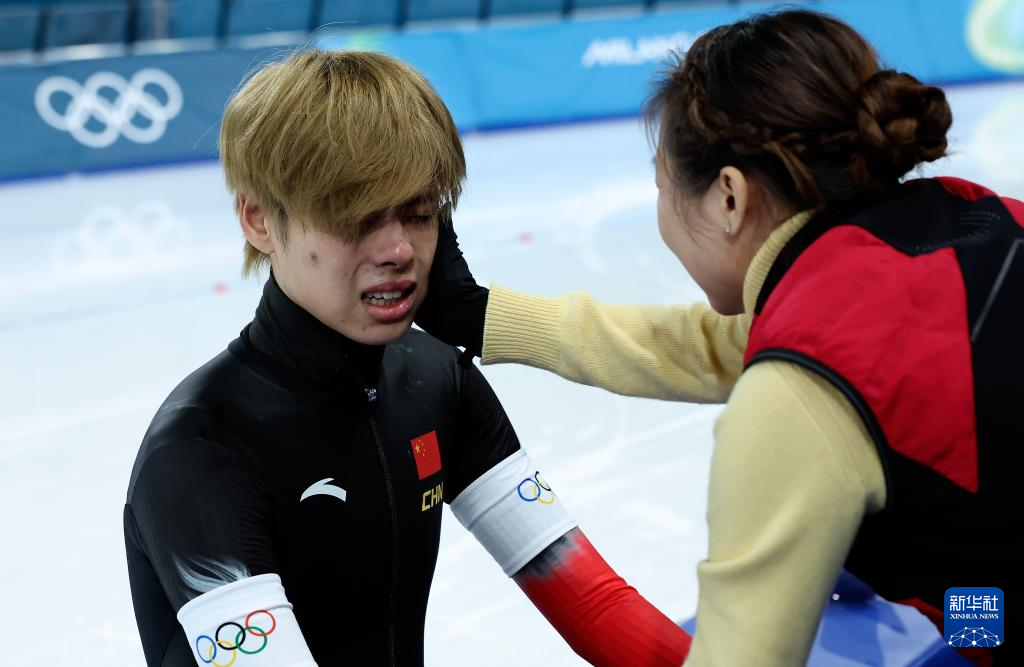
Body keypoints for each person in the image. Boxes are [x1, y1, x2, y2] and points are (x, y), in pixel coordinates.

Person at [416, 9, 1023, 667]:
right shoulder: (974, 222)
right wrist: (482, 317)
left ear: (729, 197)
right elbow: (712, 345)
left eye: (661, 185)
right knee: (969, 610)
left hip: (983, 616)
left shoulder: (802, 391)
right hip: (986, 606)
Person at [123, 49, 693, 666]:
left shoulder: (436, 378)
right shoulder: (201, 448)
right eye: (356, 218)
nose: (398, 249)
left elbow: (595, 604)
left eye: (419, 214)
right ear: (259, 219)